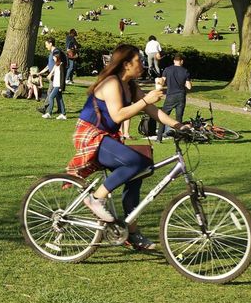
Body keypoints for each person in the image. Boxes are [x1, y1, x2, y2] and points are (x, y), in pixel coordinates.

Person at [66, 44, 188, 251]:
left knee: (139, 172)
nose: (142, 64)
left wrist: (179, 125)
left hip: (107, 138)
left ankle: (131, 232)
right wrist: (146, 100)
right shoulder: (112, 82)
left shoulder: (130, 85)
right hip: (91, 135)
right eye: (138, 61)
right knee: (136, 161)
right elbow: (118, 115)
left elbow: (151, 110)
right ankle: (96, 199)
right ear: (126, 64)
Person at [155, 53, 192, 139]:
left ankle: (159, 137)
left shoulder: (167, 70)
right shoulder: (185, 71)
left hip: (170, 96)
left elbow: (162, 81)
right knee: (179, 118)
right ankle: (178, 137)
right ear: (181, 61)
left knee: (163, 116)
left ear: (174, 61)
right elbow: (189, 86)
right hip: (181, 96)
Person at [42, 52, 67, 120]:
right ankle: (63, 114)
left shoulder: (61, 65)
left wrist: (61, 87)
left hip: (58, 85)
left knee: (51, 97)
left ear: (57, 57)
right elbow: (53, 74)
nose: (53, 58)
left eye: (54, 57)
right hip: (55, 84)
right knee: (60, 99)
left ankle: (49, 113)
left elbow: (62, 77)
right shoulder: (56, 65)